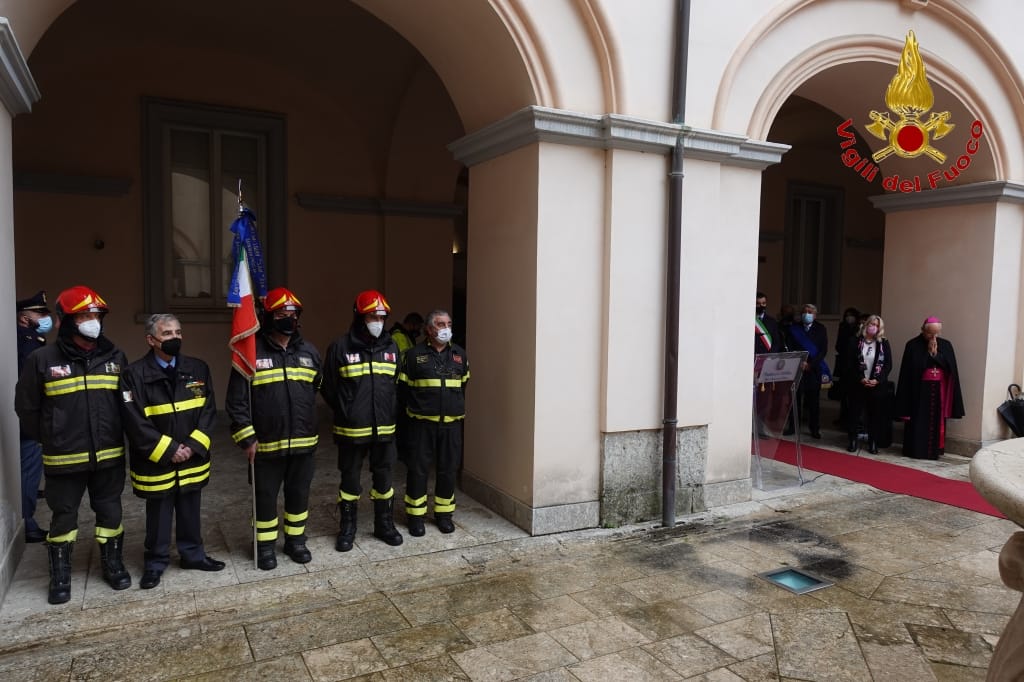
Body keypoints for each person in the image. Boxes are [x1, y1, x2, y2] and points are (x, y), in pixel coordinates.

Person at [15, 286, 131, 603]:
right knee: (63, 518)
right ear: (66, 320)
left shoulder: (115, 356)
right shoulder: (41, 359)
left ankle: (113, 565)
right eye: (83, 316)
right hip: (64, 458)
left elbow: (127, 404)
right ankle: (60, 575)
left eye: (96, 315)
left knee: (110, 514)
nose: (92, 322)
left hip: (108, 456)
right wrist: (52, 436)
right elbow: (26, 408)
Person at [120, 314, 223, 589]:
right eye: (167, 334)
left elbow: (208, 410)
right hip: (158, 459)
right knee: (159, 514)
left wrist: (193, 446)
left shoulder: (198, 368)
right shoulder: (133, 375)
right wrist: (170, 450)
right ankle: (155, 563)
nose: (174, 338)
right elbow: (134, 420)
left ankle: (193, 555)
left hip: (191, 456)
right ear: (151, 340)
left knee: (191, 508)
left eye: (178, 332)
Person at [226, 287, 322, 570]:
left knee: (299, 495)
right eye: (281, 314)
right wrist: (247, 439)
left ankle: (296, 541)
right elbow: (236, 400)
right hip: (266, 445)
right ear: (268, 317)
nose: (289, 319)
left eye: (293, 314)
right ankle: (265, 546)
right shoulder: (250, 352)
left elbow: (315, 388)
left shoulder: (309, 351)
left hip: (303, 443)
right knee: (265, 499)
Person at [321, 289, 404, 551]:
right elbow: (328, 387)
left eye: (381, 317)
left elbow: (396, 384)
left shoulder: (391, 347)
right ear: (359, 317)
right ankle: (347, 528)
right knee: (350, 481)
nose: (378, 322)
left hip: (385, 429)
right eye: (372, 317)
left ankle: (384, 525)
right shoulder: (340, 347)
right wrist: (347, 410)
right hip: (351, 430)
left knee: (384, 480)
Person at [399, 309, 470, 535]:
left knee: (448, 470)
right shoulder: (413, 355)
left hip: (451, 425)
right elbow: (402, 390)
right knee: (418, 470)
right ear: (429, 329)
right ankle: (415, 516)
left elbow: (463, 384)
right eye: (440, 324)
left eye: (449, 324)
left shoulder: (459, 354)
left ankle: (444, 515)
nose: (446, 328)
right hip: (422, 425)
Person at [895, 316, 965, 460]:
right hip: (918, 390)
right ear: (923, 330)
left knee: (937, 421)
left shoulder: (946, 345)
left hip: (939, 389)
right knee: (918, 420)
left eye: (936, 333)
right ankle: (915, 450)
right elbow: (910, 370)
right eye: (930, 334)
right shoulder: (912, 345)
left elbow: (950, 368)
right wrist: (927, 354)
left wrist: (936, 355)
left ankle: (934, 451)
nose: (934, 337)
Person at [16, 290, 53, 543]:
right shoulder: (27, 341)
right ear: (23, 317)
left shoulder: (29, 338)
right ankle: (27, 522)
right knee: (29, 468)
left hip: (26, 415)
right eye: (39, 313)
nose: (45, 318)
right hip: (28, 418)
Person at [842, 314, 892, 454]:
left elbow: (888, 365)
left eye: (877, 325)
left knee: (874, 415)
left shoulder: (883, 343)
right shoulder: (855, 341)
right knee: (854, 413)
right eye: (871, 324)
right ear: (866, 325)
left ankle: (873, 442)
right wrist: (860, 378)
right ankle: (852, 440)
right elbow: (849, 364)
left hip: (876, 385)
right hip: (858, 384)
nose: (873, 327)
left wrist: (878, 380)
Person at [784, 303, 828, 438]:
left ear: (815, 315)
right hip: (797, 368)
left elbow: (823, 350)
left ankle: (814, 428)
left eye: (810, 312)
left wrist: (811, 365)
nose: (807, 314)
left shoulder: (821, 329)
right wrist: (798, 362)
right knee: (794, 400)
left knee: (814, 402)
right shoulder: (794, 328)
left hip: (813, 370)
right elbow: (789, 347)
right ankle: (793, 426)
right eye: (805, 311)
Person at [832, 306, 862, 423]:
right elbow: (838, 345)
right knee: (843, 392)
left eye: (851, 315)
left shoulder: (859, 329)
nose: (849, 318)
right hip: (843, 363)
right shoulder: (842, 326)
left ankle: (852, 419)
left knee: (852, 394)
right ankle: (842, 417)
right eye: (847, 316)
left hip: (854, 364)